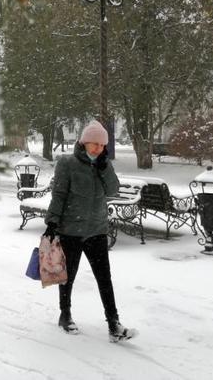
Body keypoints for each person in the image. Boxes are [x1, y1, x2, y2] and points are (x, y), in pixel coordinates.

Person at [44, 121, 136, 343]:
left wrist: (104, 168)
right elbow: (59, 194)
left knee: (105, 278)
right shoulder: (67, 163)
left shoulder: (104, 164)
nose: (98, 148)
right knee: (68, 276)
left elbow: (113, 190)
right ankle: (65, 315)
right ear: (84, 142)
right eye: (94, 143)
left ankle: (113, 323)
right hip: (71, 230)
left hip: (96, 229)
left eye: (102, 145)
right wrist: (52, 223)